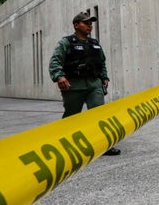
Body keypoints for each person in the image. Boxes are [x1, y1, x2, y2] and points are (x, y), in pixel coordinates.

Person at [48, 11, 120, 156]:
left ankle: (104, 144)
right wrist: (59, 76)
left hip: (94, 84)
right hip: (74, 85)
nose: (90, 25)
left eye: (91, 23)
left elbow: (101, 62)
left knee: (98, 113)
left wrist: (104, 78)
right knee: (72, 116)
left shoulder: (95, 44)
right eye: (86, 23)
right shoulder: (66, 43)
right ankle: (66, 145)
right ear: (76, 25)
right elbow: (55, 61)